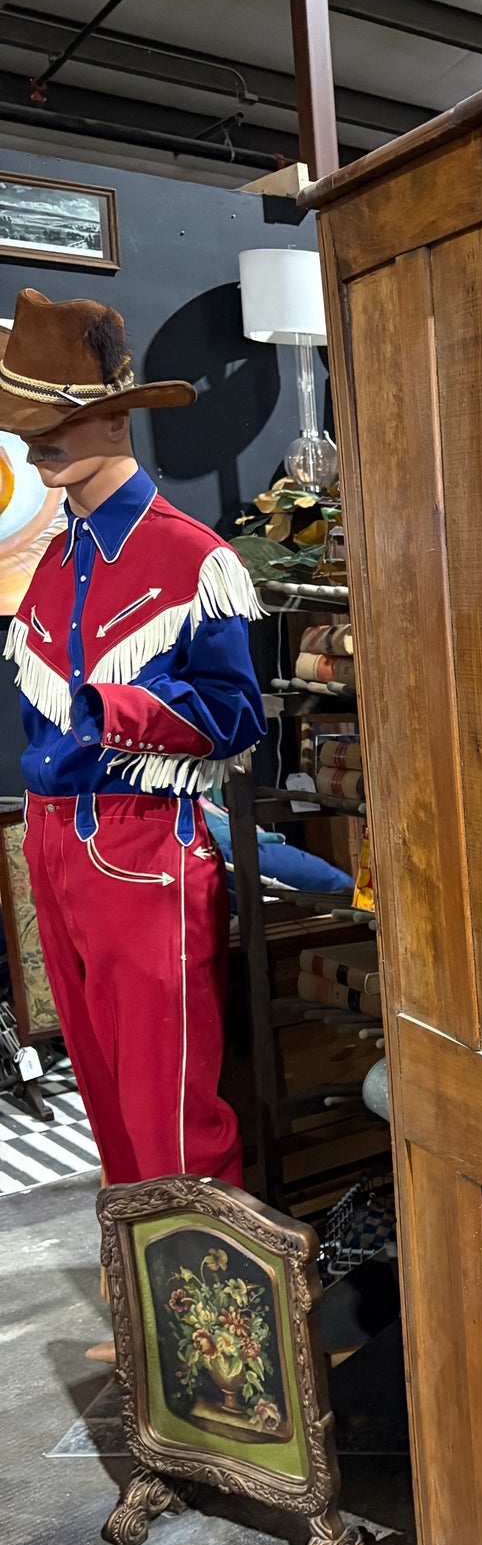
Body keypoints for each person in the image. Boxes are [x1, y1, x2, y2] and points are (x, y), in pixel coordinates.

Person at [0, 288, 265, 1215]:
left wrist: (118, 706)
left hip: (145, 845)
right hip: (54, 847)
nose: (38, 448)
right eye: (29, 428)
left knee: (172, 1108)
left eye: (56, 424)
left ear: (116, 414)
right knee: (106, 1104)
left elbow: (236, 716)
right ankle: (144, 1310)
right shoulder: (55, 563)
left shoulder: (190, 558)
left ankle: (210, 1345)